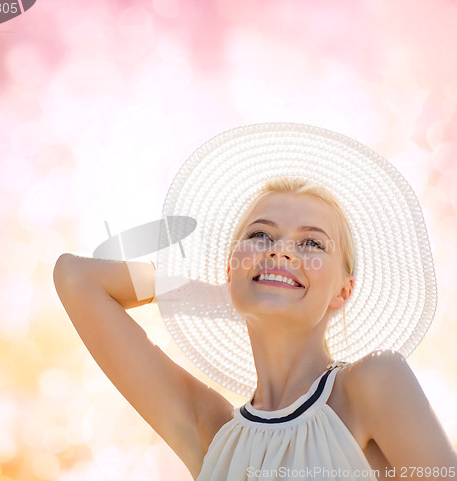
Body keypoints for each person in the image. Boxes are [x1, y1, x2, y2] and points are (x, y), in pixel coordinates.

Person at [53, 123, 457, 480]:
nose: (280, 251)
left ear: (343, 291)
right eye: (260, 236)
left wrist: (259, 278)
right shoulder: (211, 434)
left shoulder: (374, 383)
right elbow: (76, 277)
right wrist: (209, 290)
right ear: (229, 269)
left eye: (311, 242)